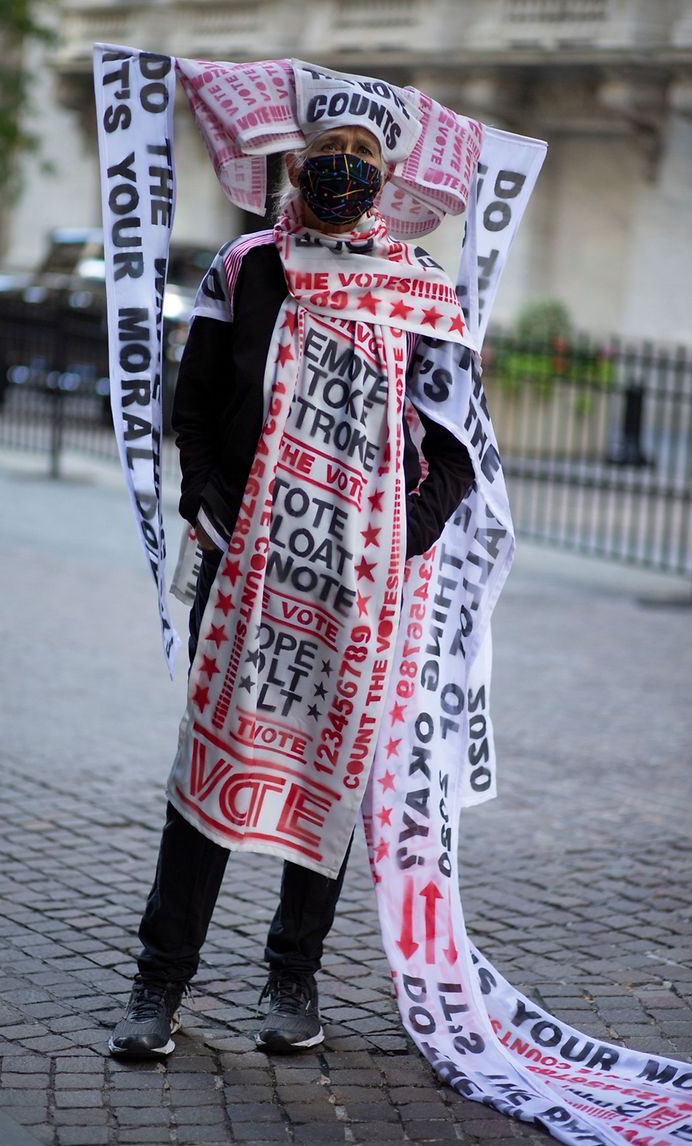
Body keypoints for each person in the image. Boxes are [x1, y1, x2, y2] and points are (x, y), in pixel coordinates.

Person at [108, 111, 475, 1059]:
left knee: (331, 769)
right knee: (210, 757)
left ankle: (293, 976)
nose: (342, 173)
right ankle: (161, 980)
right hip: (246, 566)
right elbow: (194, 409)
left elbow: (458, 450)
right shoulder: (246, 268)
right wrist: (211, 508)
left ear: (386, 178)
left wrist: (401, 537)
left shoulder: (421, 287)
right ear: (296, 166)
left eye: (361, 160)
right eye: (327, 158)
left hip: (361, 584)